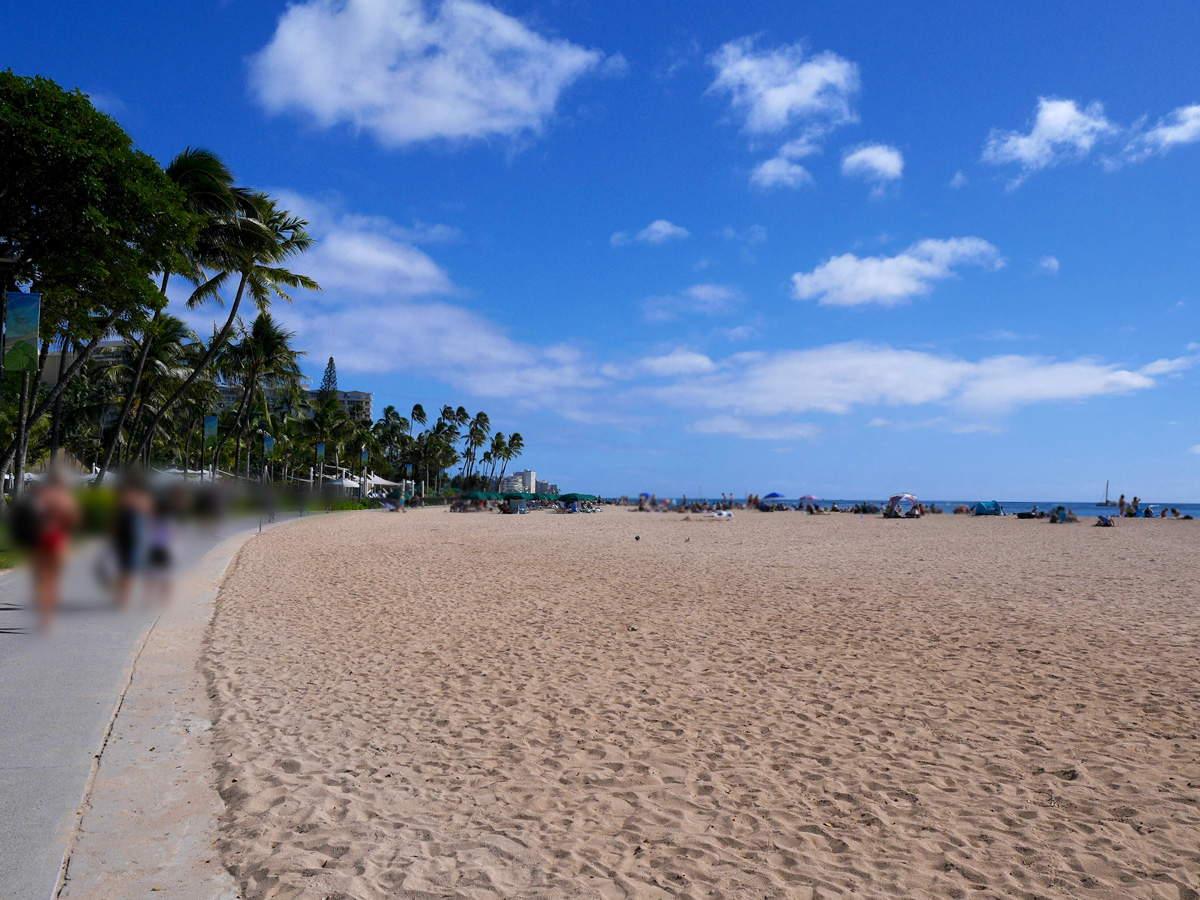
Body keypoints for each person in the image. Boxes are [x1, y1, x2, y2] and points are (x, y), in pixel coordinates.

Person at [19, 472, 80, 631]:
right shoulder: (66, 499)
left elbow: (30, 518)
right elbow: (73, 521)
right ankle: (49, 619)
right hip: (58, 539)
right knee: (54, 579)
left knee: (41, 580)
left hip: (40, 538)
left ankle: (43, 616)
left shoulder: (41, 496)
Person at [112, 476, 152, 610]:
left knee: (125, 570)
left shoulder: (124, 498)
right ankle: (124, 600)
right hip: (134, 539)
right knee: (130, 570)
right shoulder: (142, 499)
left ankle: (122, 599)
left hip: (125, 538)